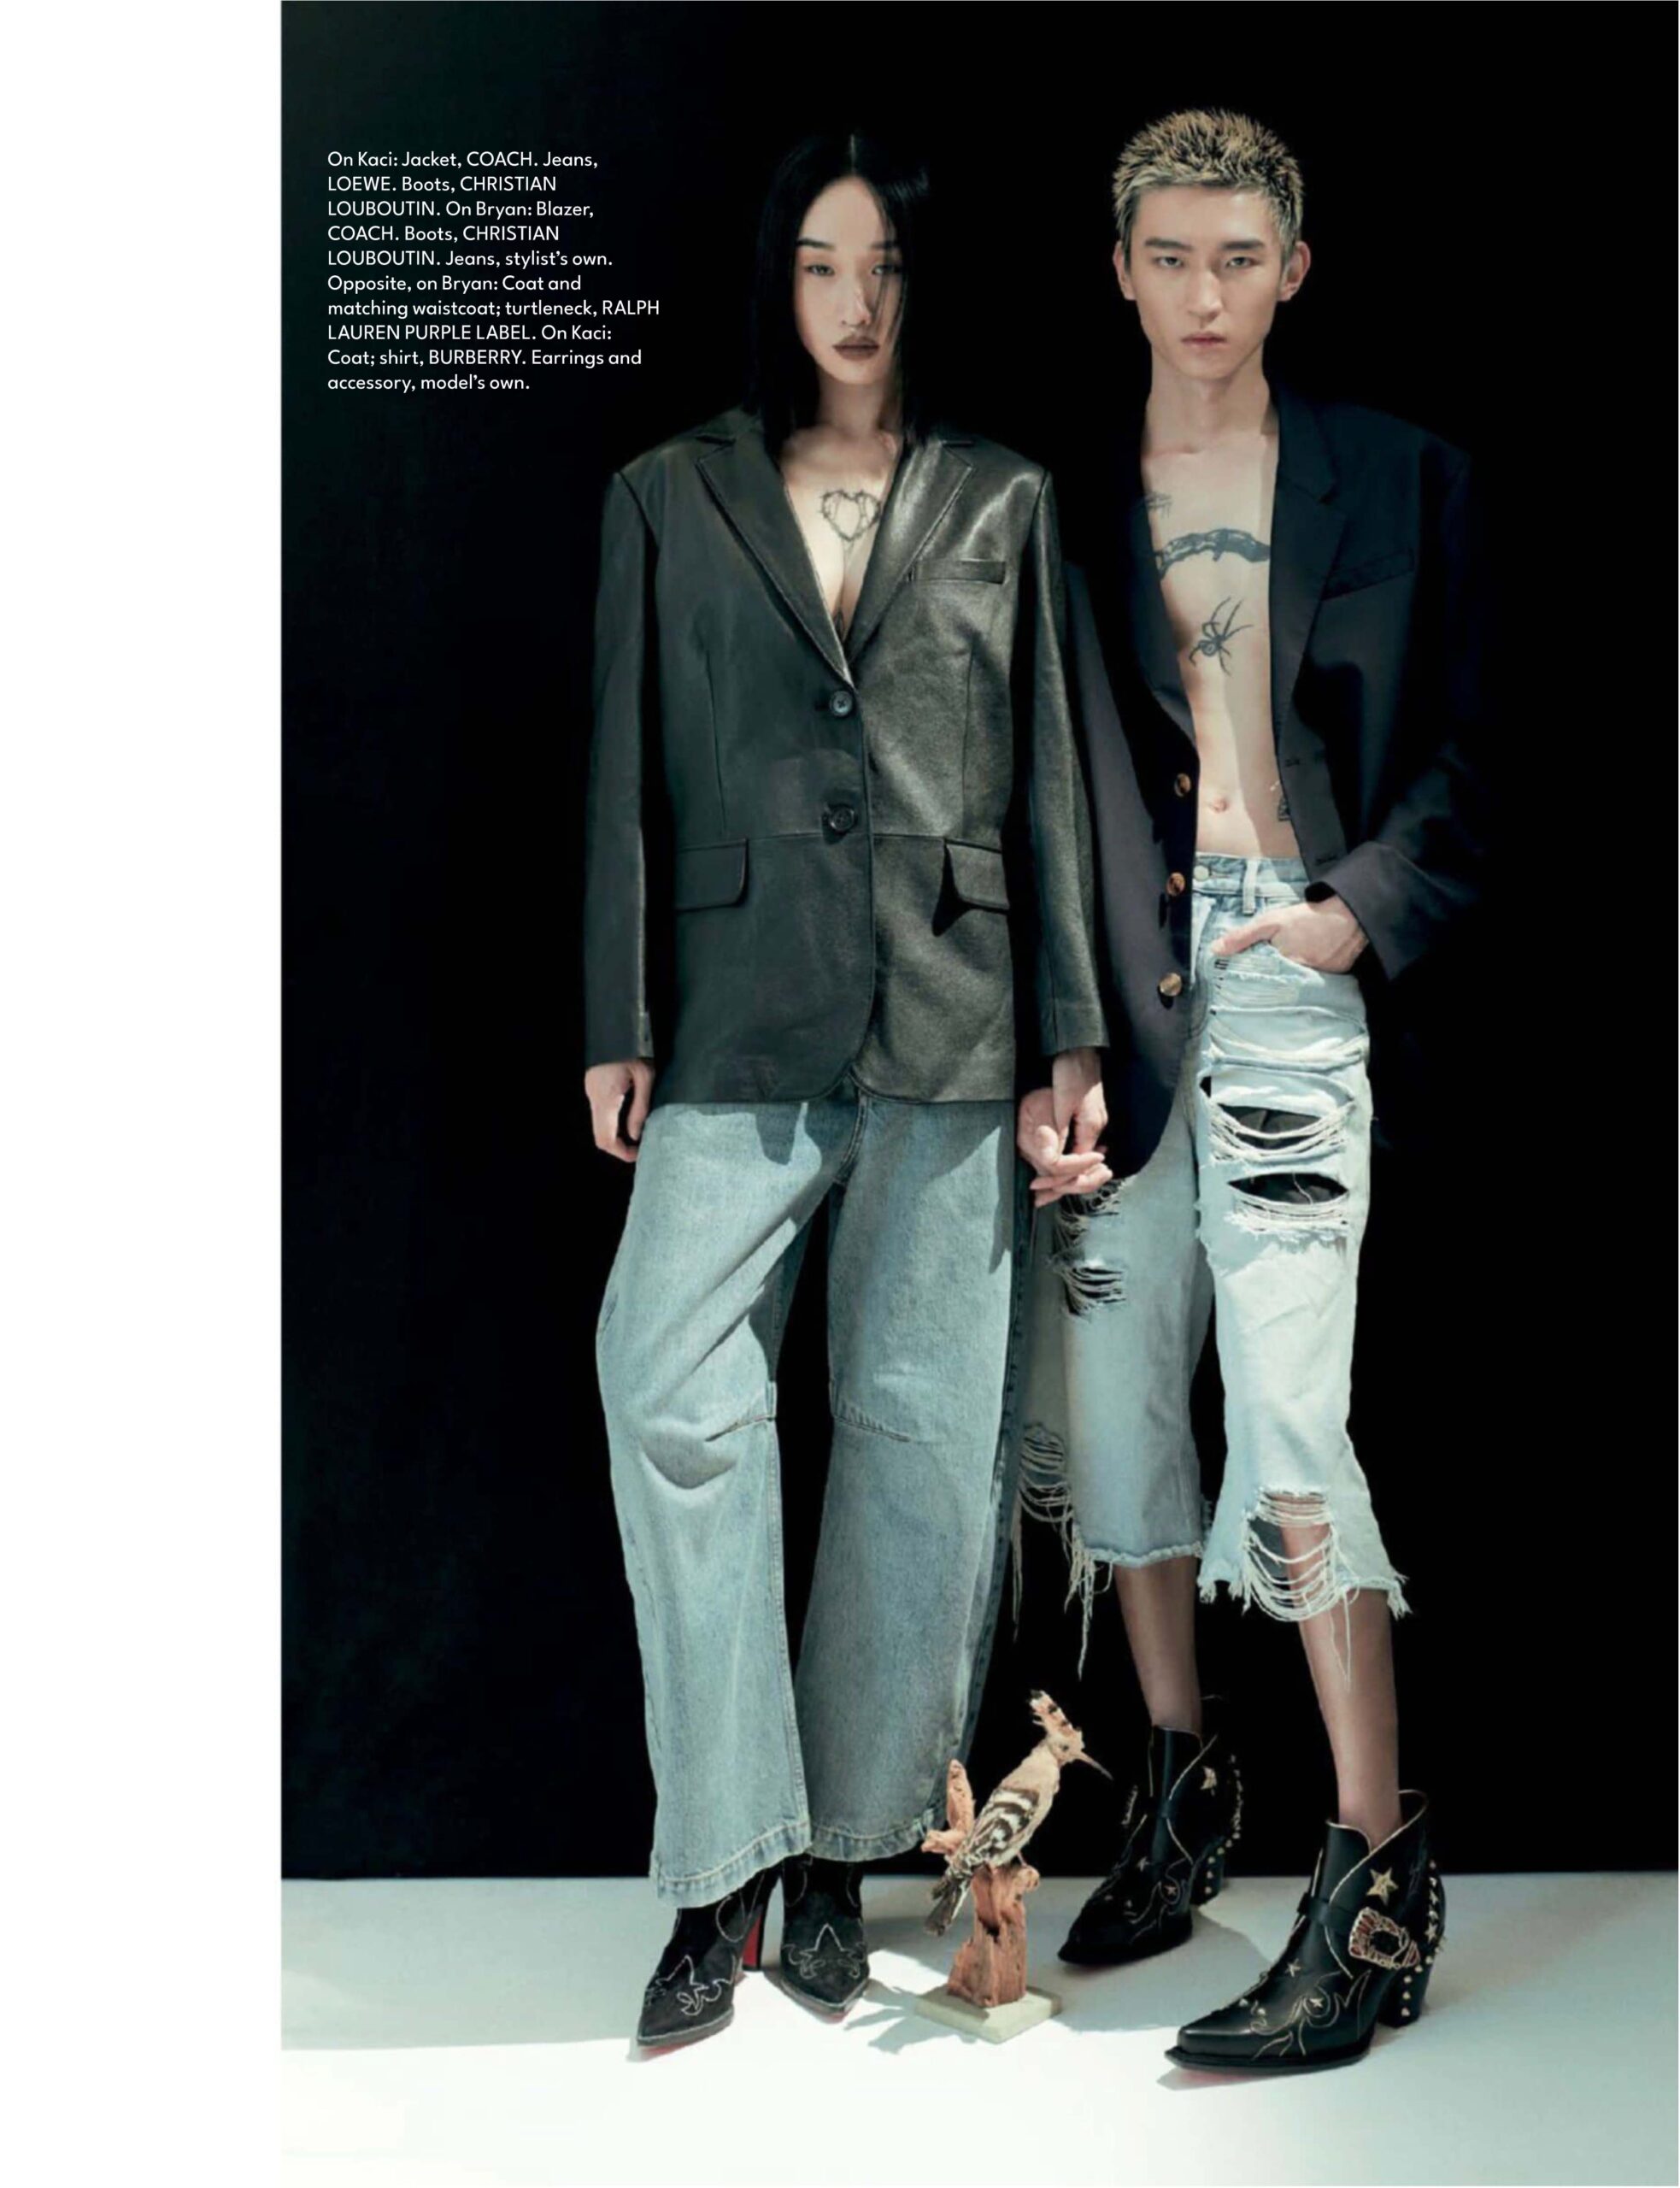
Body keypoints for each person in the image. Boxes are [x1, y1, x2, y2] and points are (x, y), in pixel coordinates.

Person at [584, 131, 1109, 2049]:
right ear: (778, 280)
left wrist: (1068, 1034)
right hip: (733, 1014)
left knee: (917, 1433)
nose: (854, 299)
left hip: (953, 1012)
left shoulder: (1001, 498)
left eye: (881, 263)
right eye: (821, 263)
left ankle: (843, 1852)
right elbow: (621, 772)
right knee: (666, 1378)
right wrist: (616, 1010)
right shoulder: (670, 494)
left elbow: (1048, 770)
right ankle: (721, 1853)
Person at [1012, 108, 1488, 2071]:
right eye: (1167, 257)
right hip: (1118, 1001)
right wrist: (1054, 1040)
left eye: (1236, 258)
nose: (1201, 295)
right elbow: (1034, 784)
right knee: (1114, 1402)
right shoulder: (1059, 505)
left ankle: (1368, 1880)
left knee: (1288, 1412)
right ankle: (1177, 1784)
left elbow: (1477, 744)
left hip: (1286, 975)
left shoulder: (1398, 477)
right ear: (1118, 271)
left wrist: (1349, 914)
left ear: (1288, 270)